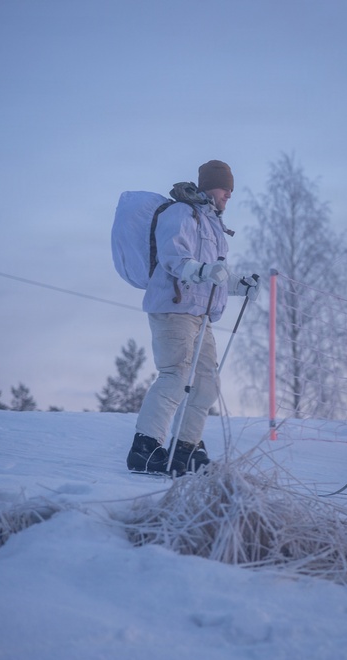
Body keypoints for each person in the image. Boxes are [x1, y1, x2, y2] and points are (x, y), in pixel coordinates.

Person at [126, 159, 257, 475]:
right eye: (226, 188)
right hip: (173, 308)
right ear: (211, 185)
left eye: (231, 189)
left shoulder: (213, 224)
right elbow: (174, 258)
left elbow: (215, 274)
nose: (229, 195)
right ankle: (144, 448)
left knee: (207, 385)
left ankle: (186, 448)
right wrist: (201, 271)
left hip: (199, 315)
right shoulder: (181, 213)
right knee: (175, 376)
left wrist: (240, 284)